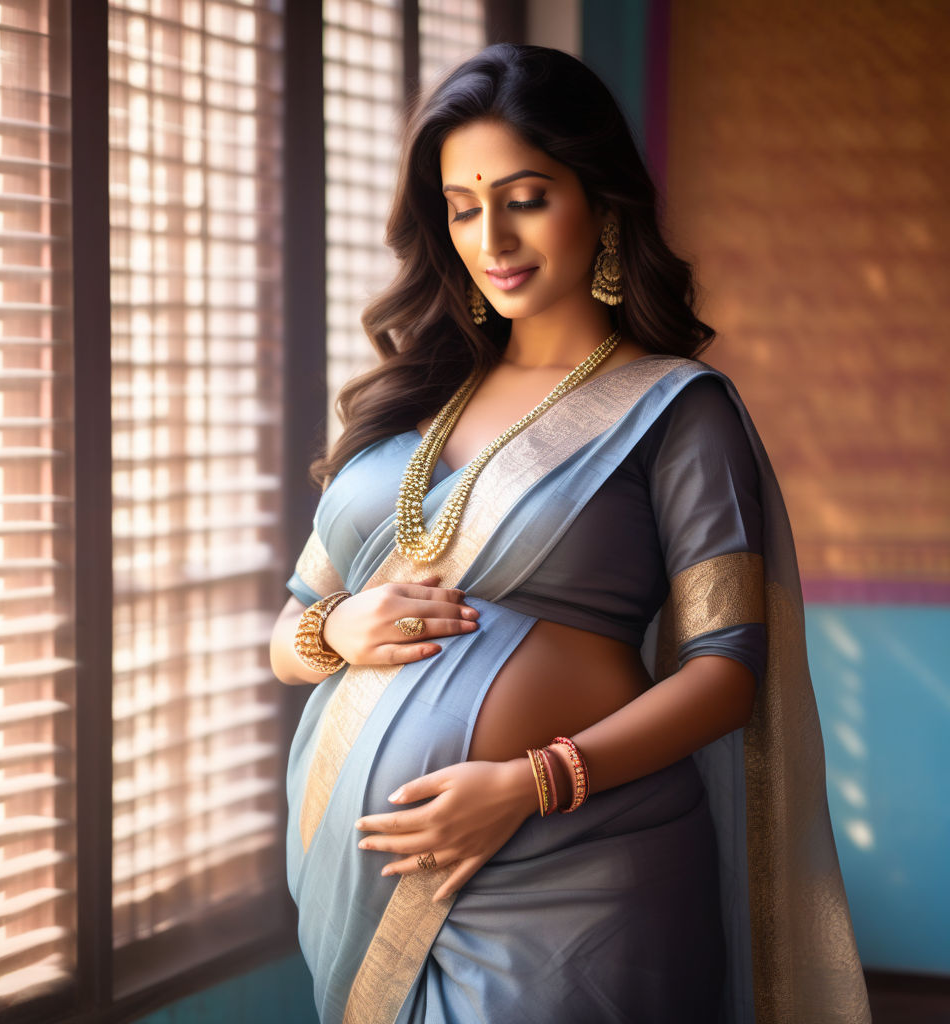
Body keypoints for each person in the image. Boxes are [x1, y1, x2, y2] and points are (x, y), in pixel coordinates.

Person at [271, 44, 870, 1024]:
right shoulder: (406, 406)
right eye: (463, 206)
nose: (491, 235)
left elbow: (727, 673)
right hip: (366, 886)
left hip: (579, 874)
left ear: (600, 199)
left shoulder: (677, 410)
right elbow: (290, 635)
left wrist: (526, 782)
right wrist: (334, 632)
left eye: (525, 196)